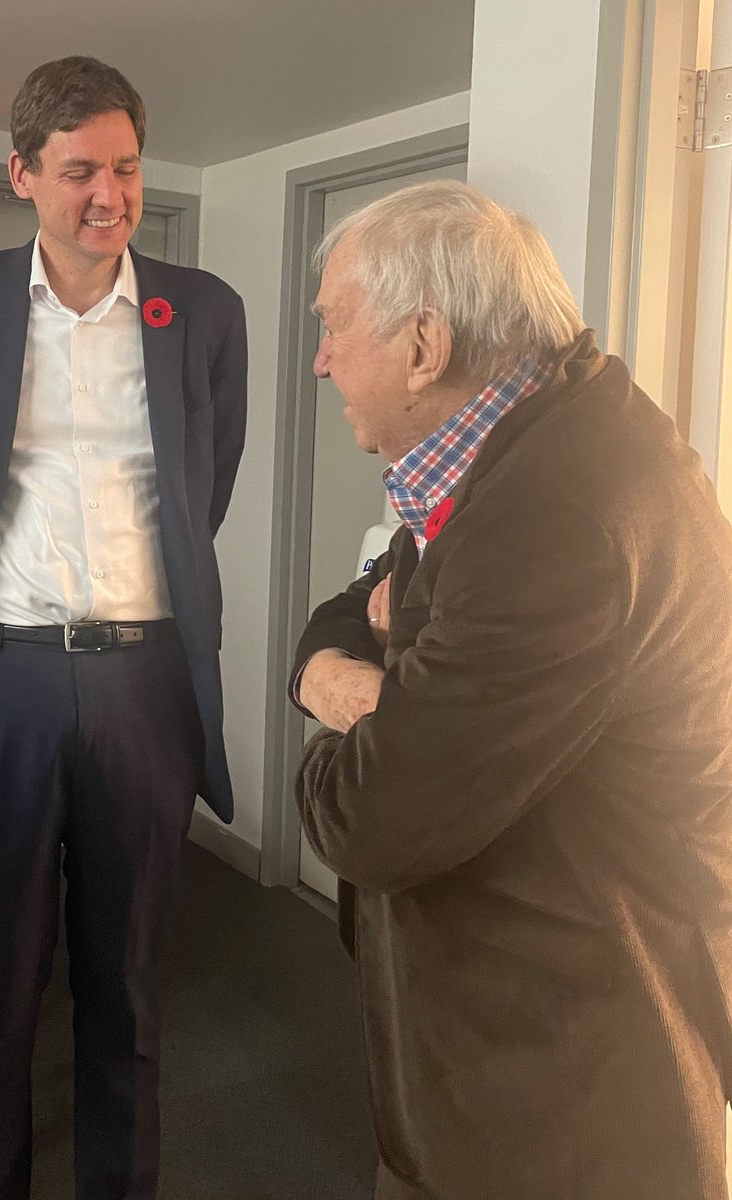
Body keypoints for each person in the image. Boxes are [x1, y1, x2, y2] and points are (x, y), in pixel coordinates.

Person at [290, 179, 732, 1200]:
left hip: (562, 1098)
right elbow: (347, 614)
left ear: (424, 345)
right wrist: (359, 668)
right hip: (514, 1049)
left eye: (334, 327)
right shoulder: (517, 449)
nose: (321, 361)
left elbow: (369, 816)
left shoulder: (559, 515)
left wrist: (353, 699)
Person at [0, 55, 247, 1200]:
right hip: (2, 679)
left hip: (145, 680)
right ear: (23, 176)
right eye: (80, 171)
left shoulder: (200, 311)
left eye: (129, 167)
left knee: (130, 988)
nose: (111, 194)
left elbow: (208, 491)